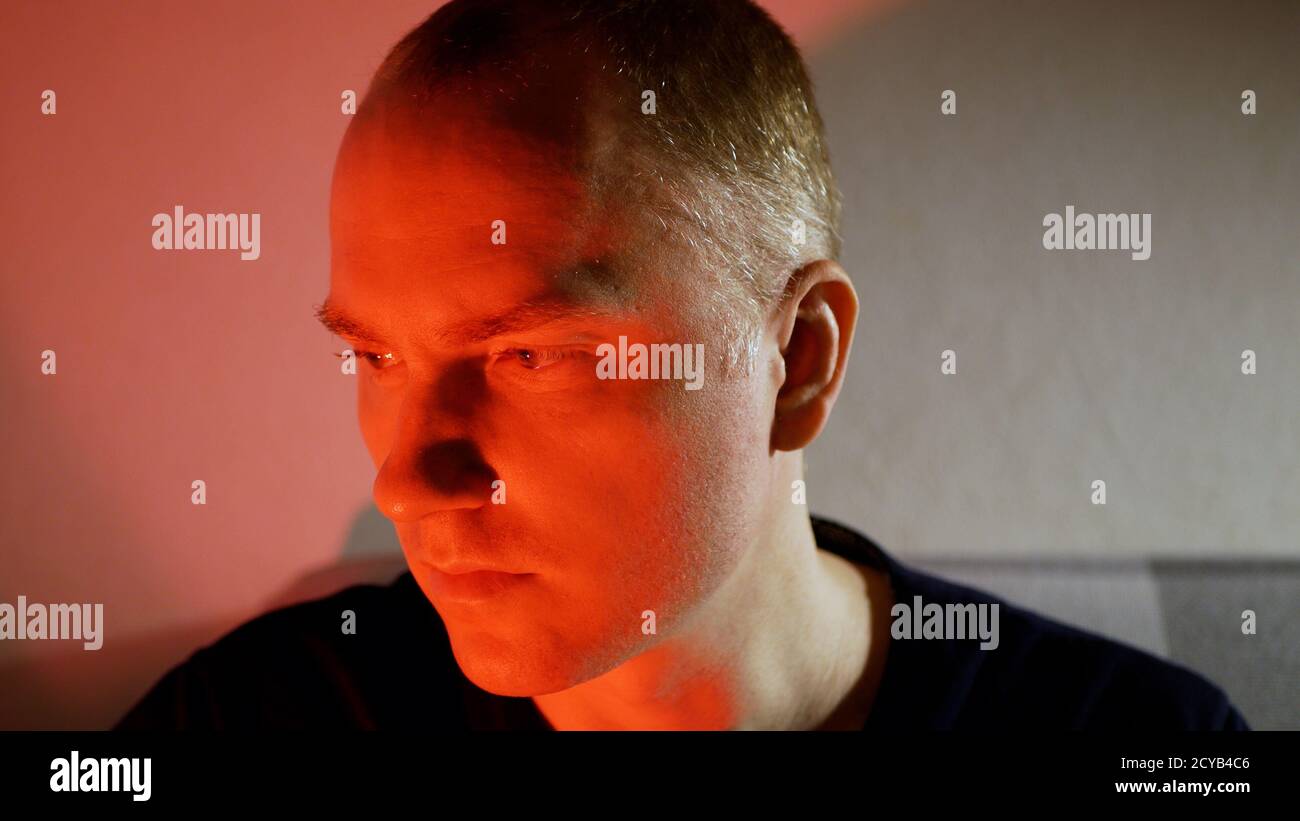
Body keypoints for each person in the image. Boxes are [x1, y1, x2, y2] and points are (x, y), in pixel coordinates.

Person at [116, 0, 1247, 731]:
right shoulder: (255, 722)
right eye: (372, 352)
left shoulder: (1138, 742)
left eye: (530, 354)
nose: (406, 481)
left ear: (796, 359)